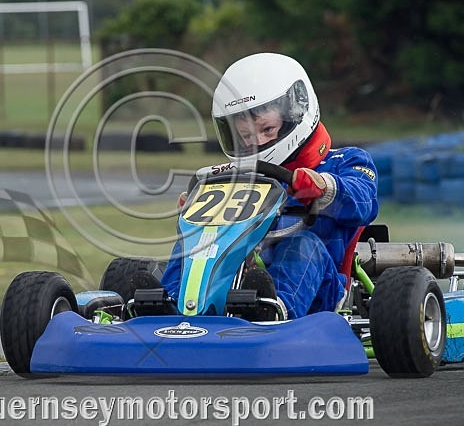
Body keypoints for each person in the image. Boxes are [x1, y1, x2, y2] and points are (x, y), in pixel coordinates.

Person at [157, 52, 379, 319]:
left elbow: (364, 201)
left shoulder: (344, 161)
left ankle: (274, 312)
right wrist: (198, 212)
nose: (258, 143)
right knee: (196, 242)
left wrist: (323, 187)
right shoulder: (237, 177)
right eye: (247, 135)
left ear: (297, 113)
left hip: (319, 286)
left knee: (301, 243)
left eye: (267, 130)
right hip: (240, 280)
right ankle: (168, 308)